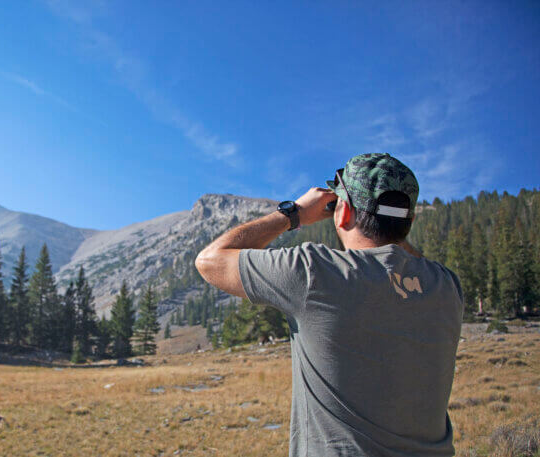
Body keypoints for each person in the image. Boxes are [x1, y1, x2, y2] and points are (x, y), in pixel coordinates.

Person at [195, 153, 463, 456]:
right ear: (409, 222)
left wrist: (293, 213)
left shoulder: (315, 272)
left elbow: (209, 261)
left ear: (343, 211)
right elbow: (403, 256)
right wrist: (393, 226)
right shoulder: (446, 287)